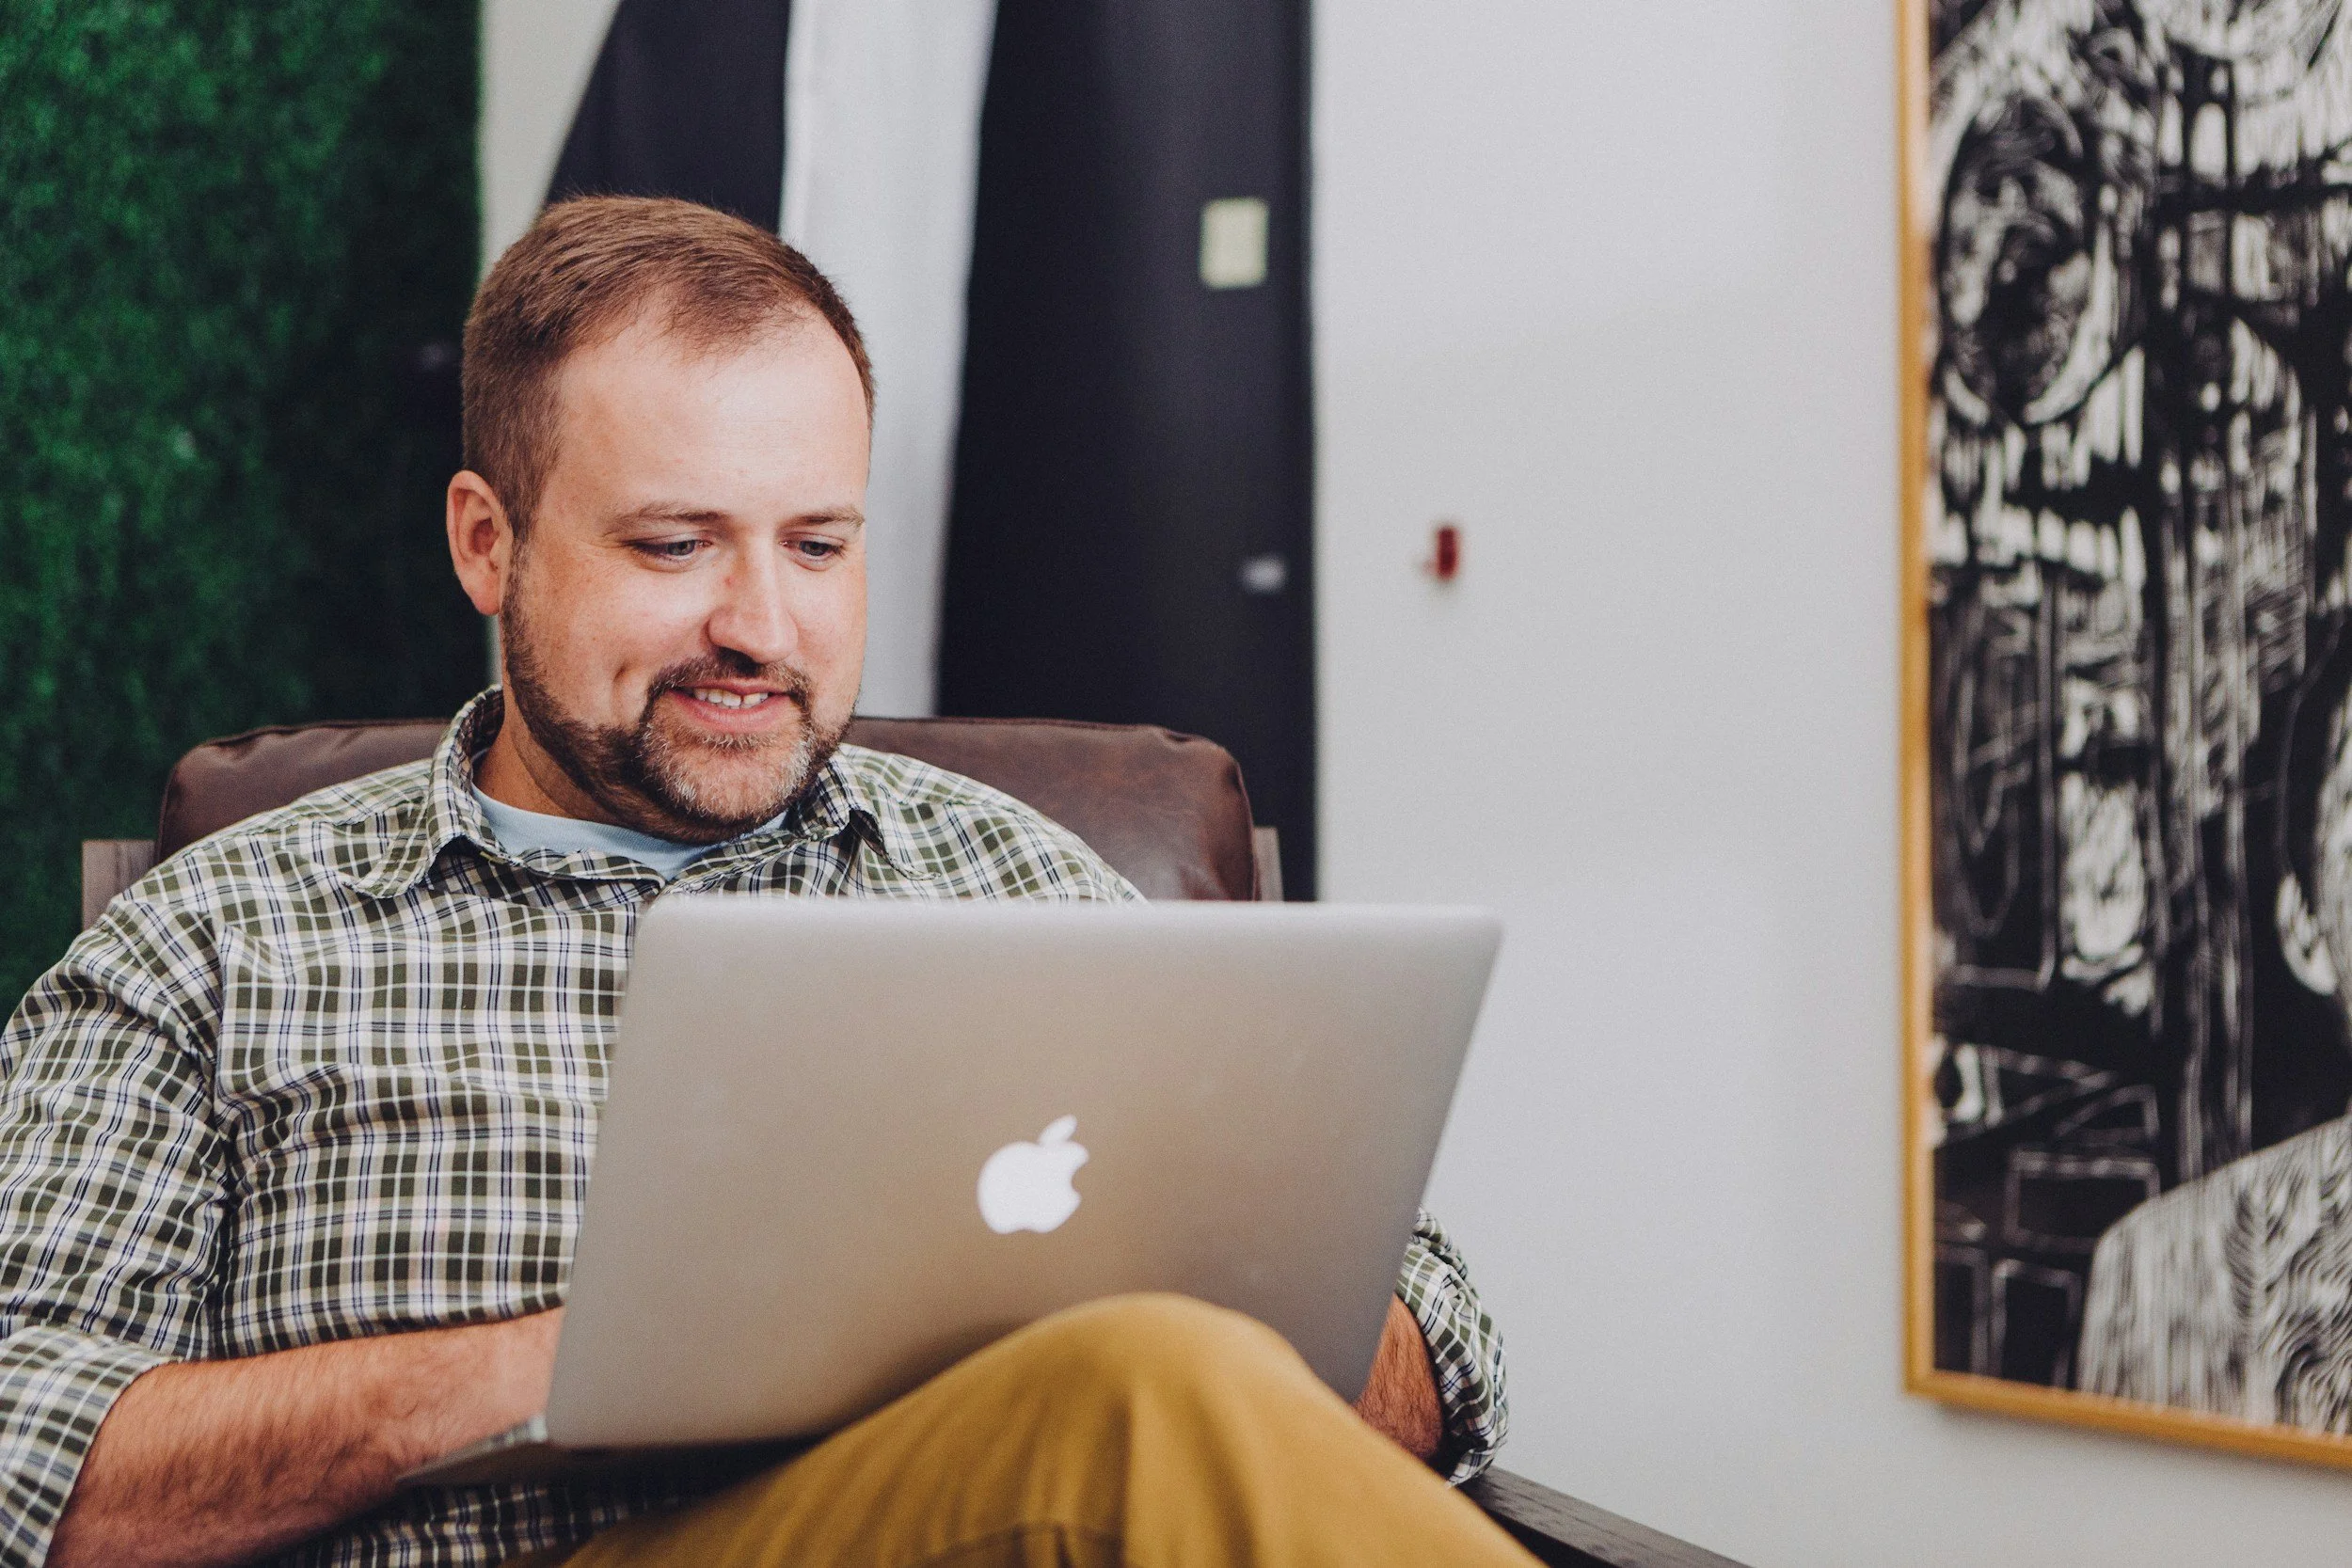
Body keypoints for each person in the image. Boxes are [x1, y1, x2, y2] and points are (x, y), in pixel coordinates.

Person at [0, 198, 1521, 1567]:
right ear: (488, 543)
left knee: (1152, 1385)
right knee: (1145, 1397)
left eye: (818, 543)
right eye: (675, 543)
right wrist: (563, 1362)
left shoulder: (1010, 878)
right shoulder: (218, 939)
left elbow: (1435, 1336)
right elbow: (24, 1447)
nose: (763, 624)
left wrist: (1035, 1333)